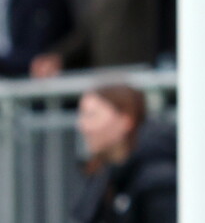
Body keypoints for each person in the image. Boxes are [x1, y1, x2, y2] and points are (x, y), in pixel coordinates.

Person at [72, 83, 177, 223]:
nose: (82, 126)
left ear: (125, 119)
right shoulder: (104, 174)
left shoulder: (157, 179)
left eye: (91, 115)